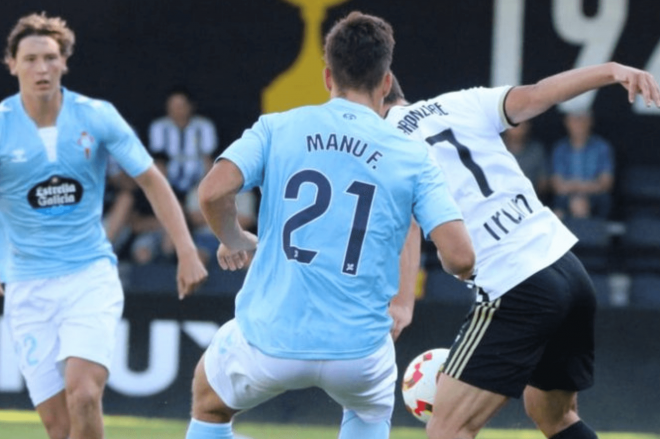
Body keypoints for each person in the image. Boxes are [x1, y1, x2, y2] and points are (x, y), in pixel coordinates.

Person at [185, 11, 475, 439]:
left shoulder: (277, 127)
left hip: (270, 338)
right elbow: (461, 257)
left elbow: (210, 193)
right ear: (384, 82)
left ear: (327, 78)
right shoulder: (412, 156)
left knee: (208, 401)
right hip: (358, 352)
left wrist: (235, 238)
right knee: (369, 411)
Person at [383, 63, 660, 439]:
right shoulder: (460, 102)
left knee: (446, 430)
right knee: (554, 415)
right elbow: (540, 93)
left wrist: (404, 300)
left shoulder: (386, 145)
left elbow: (415, 233)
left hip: (515, 284)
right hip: (567, 267)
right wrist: (610, 71)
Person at [0, 13, 208, 439]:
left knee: (84, 395)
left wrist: (186, 250)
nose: (42, 68)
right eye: (32, 59)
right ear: (12, 64)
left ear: (64, 62)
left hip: (89, 276)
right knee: (59, 428)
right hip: (27, 288)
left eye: (51, 58)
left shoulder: (96, 116)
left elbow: (152, 179)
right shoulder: (2, 126)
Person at [148, 84, 218, 202]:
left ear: (190, 106)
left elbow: (208, 159)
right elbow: (158, 160)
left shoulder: (204, 126)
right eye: (172, 106)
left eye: (180, 106)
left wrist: (209, 186)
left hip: (198, 181)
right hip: (169, 182)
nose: (176, 110)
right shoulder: (158, 127)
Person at [550, 110, 615, 219]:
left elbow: (606, 184)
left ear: (590, 122)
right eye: (575, 120)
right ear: (566, 122)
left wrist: (578, 188)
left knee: (604, 200)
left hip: (594, 197)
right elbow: (557, 185)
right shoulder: (559, 149)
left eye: (583, 119)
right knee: (557, 207)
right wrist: (579, 191)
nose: (579, 124)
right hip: (566, 197)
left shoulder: (602, 147)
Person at [502, 120, 549, 202]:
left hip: (531, 201)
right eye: (512, 123)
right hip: (500, 202)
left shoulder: (537, 150)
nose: (516, 127)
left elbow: (543, 184)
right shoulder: (496, 148)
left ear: (528, 126)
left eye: (521, 123)